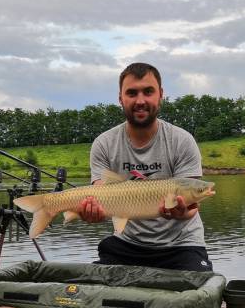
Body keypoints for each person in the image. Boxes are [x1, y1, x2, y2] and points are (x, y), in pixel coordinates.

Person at [77, 62, 213, 272]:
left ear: (161, 95)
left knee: (199, 292)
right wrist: (93, 211)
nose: (140, 100)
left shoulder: (182, 140)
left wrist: (179, 212)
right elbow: (101, 195)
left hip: (182, 245)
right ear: (120, 98)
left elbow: (192, 210)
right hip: (127, 243)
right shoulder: (103, 143)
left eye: (148, 92)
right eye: (132, 93)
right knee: (93, 290)